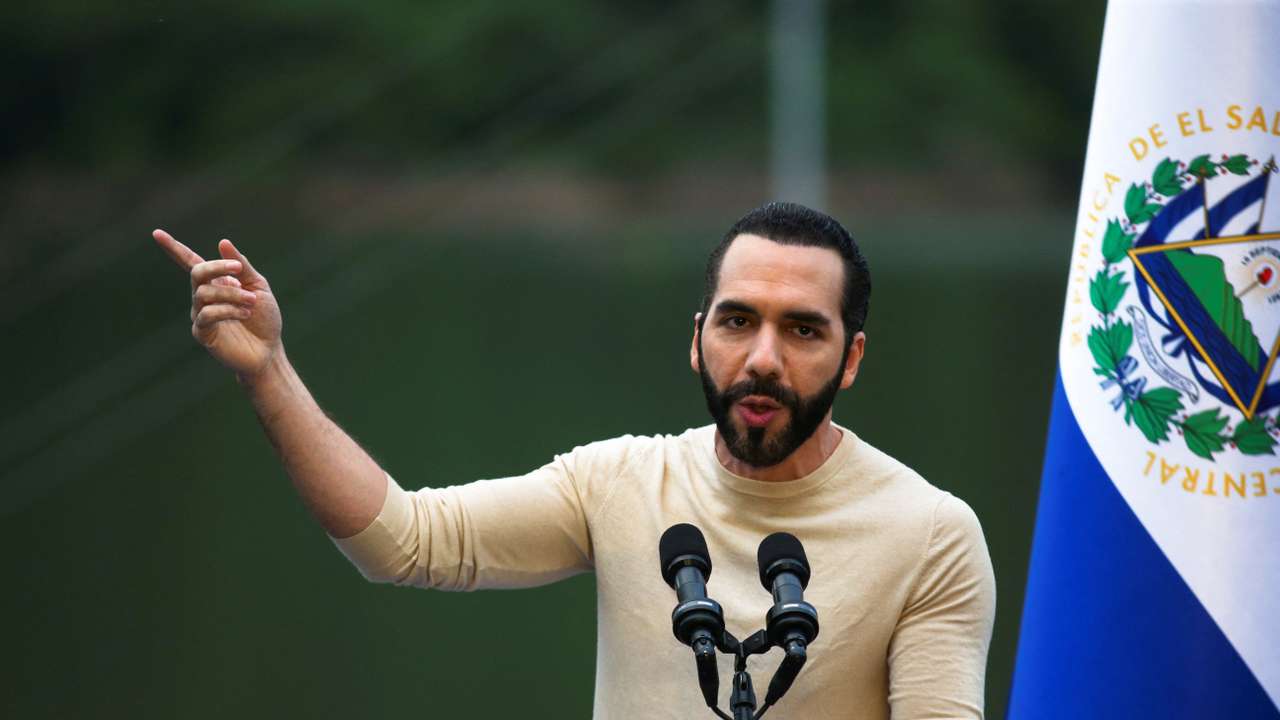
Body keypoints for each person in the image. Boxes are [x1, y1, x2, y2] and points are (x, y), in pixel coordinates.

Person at [152, 202, 995, 719]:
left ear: (851, 359)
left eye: (803, 330)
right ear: (697, 340)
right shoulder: (619, 482)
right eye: (738, 321)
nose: (764, 358)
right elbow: (400, 541)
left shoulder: (929, 534)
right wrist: (268, 371)